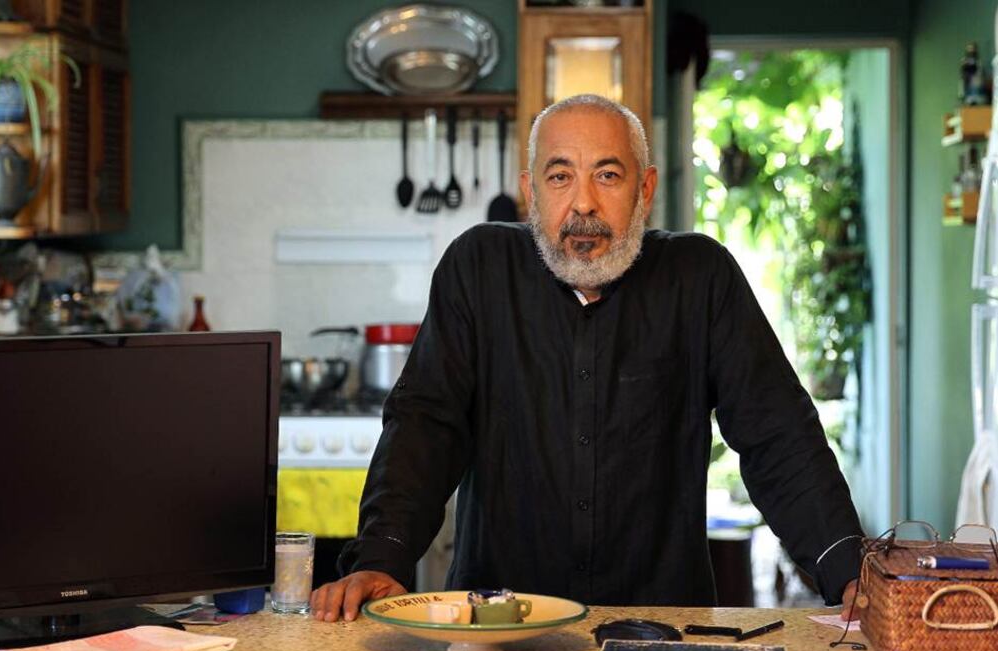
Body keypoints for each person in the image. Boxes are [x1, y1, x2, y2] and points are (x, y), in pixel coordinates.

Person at [311, 94, 863, 622]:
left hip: (661, 625)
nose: (583, 204)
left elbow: (778, 434)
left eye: (607, 174)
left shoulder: (702, 277)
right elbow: (425, 425)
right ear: (530, 191)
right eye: (559, 177)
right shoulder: (476, 269)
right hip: (496, 628)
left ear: (644, 189)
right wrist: (381, 559)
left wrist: (846, 572)